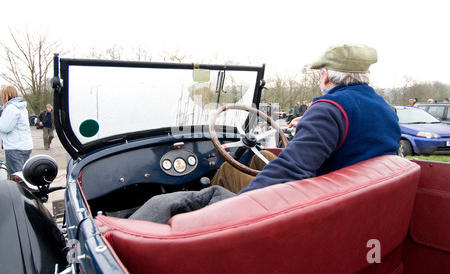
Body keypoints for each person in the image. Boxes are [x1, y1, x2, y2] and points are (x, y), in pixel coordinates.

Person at [130, 42, 401, 223]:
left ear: (327, 74)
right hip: (353, 203)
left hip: (313, 208)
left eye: (321, 72)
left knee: (205, 182)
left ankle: (205, 227)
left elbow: (292, 169)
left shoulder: (330, 109)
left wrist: (237, 208)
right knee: (245, 165)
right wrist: (306, 126)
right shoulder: (385, 109)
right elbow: (355, 142)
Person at [0, 86, 33, 173]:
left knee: (17, 176)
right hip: (25, 145)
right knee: (24, 173)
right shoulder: (21, 107)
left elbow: (5, 127)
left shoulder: (11, 108)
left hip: (14, 146)